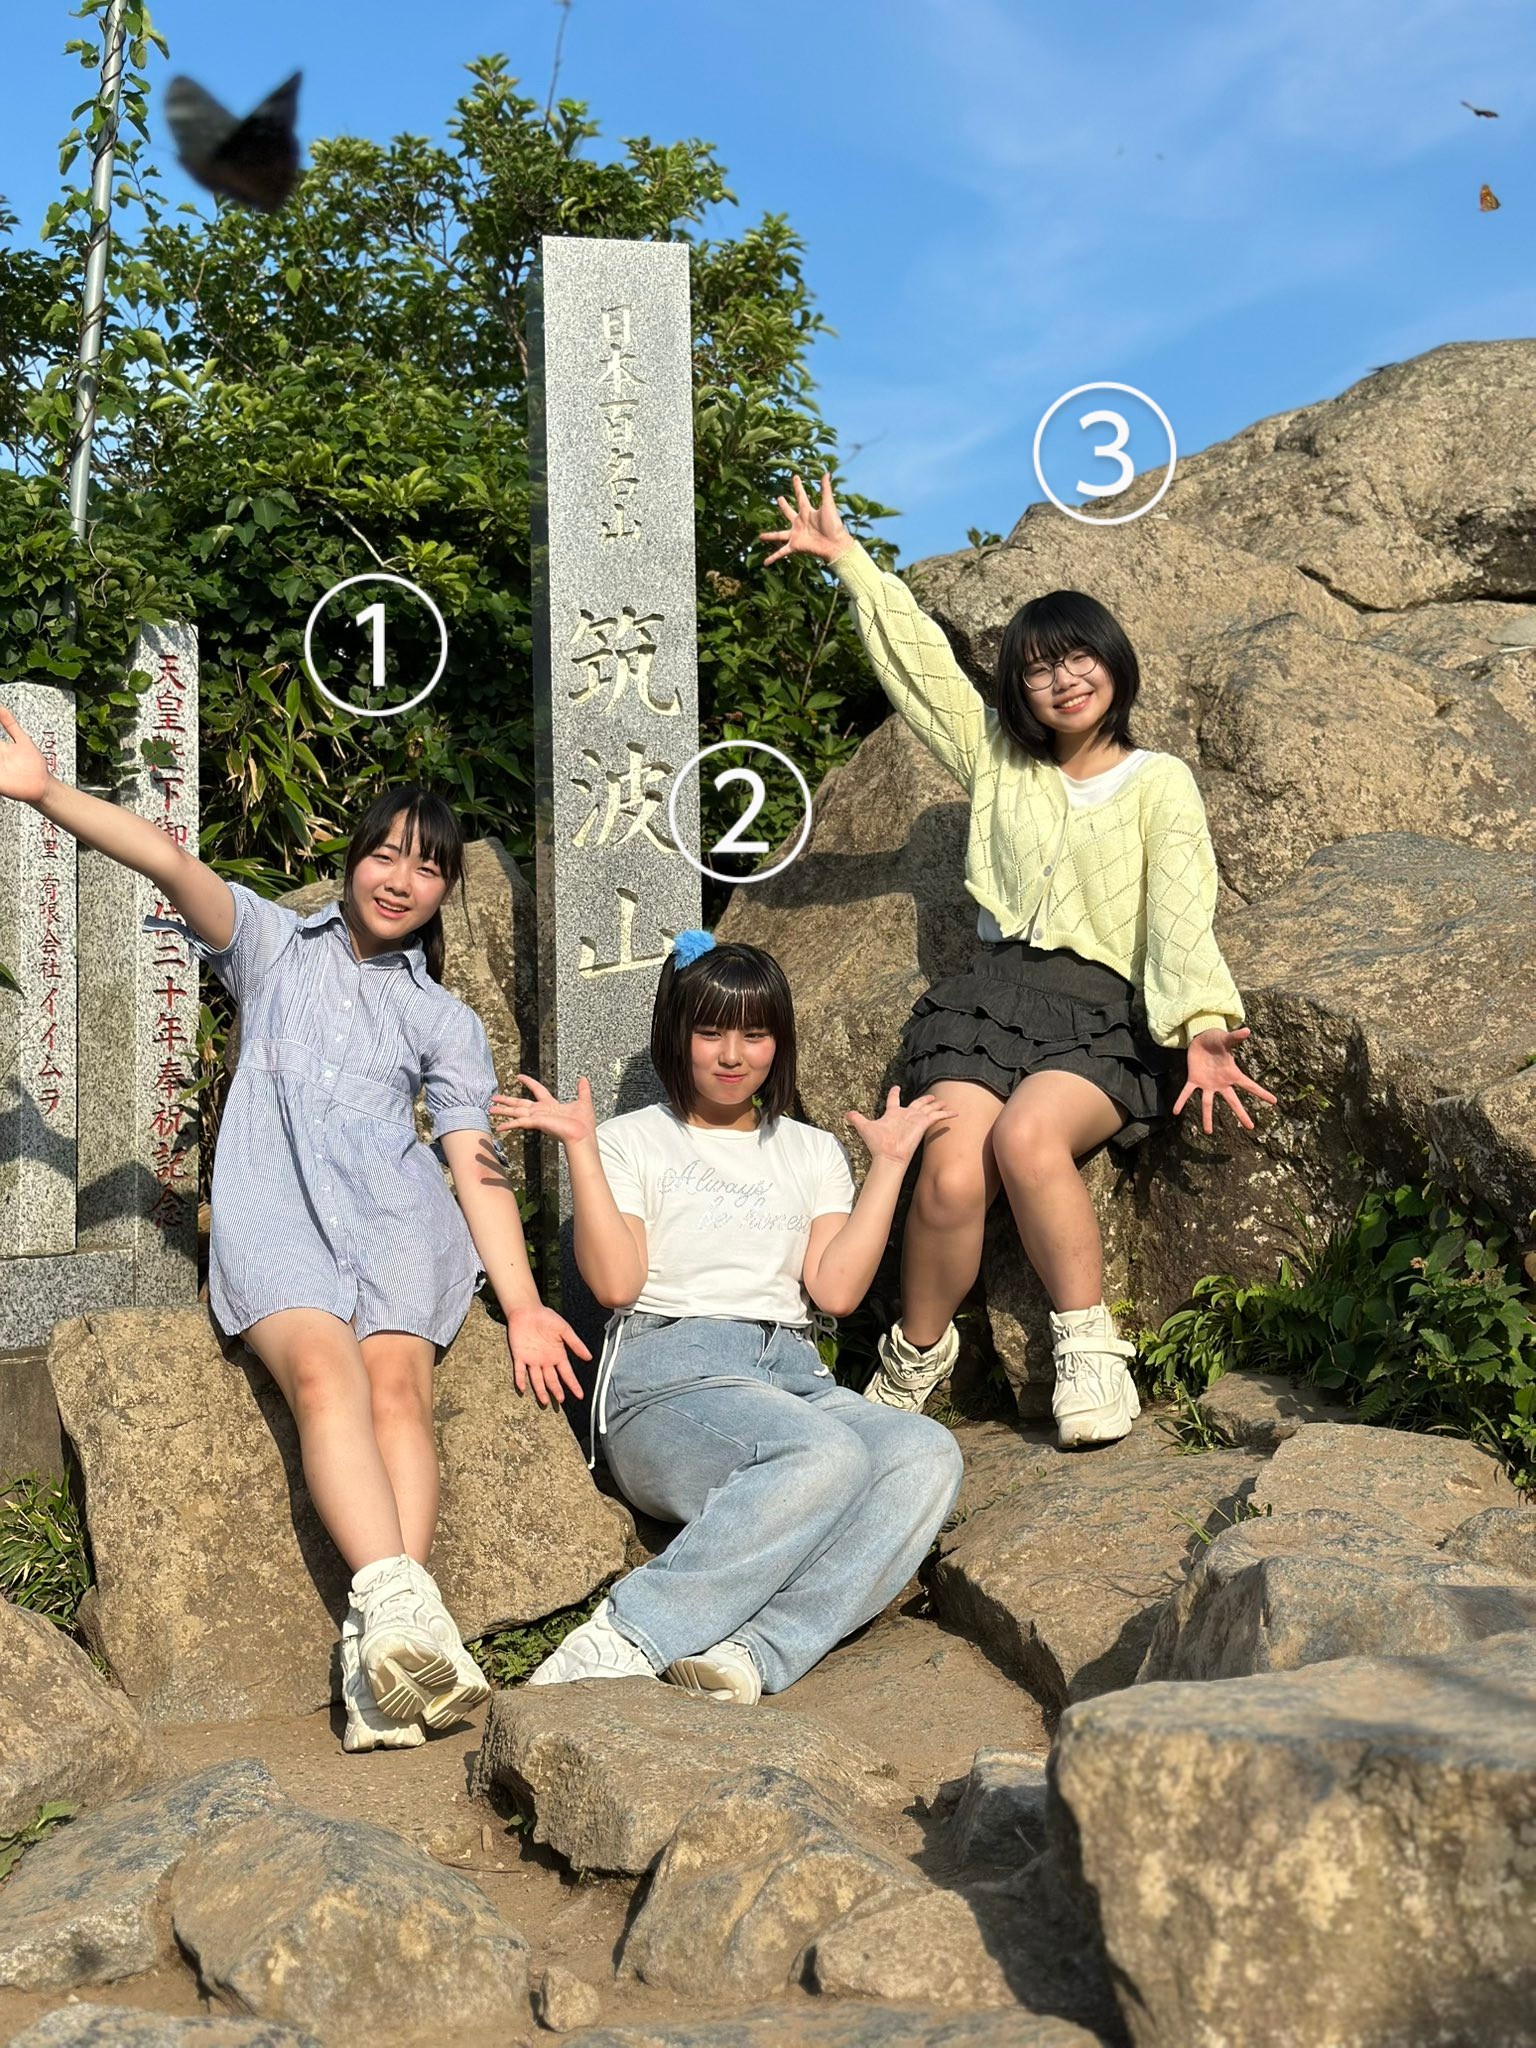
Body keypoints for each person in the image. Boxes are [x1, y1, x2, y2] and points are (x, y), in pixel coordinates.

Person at [0, 705, 588, 1751]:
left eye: (429, 867)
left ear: (445, 891)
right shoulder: (272, 943)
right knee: (323, 1374)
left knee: (400, 1394)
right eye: (386, 854)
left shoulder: (444, 1019)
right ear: (353, 860)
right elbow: (166, 861)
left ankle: (383, 1659)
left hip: (399, 1222)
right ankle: (404, 1625)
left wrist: (528, 1305)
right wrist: (46, 792)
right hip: (277, 1214)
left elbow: (473, 1161)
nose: (401, 879)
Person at [758, 473, 1277, 1447]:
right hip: (991, 1000)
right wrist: (852, 564)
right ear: (1020, 690)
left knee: (1029, 1140)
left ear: (1112, 663)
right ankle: (914, 1359)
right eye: (1038, 669)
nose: (1063, 679)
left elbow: (1180, 911)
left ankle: (1089, 1349)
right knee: (952, 1173)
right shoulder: (999, 758)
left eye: (1078, 656)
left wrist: (1203, 1025)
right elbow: (924, 673)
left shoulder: (1158, 782)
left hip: (1100, 1008)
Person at [490, 931, 965, 1704]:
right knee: (821, 1454)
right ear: (677, 1034)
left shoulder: (811, 1151)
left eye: (755, 1033)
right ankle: (626, 1633)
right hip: (666, 1378)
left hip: (791, 1376)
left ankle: (750, 1652)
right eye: (711, 1031)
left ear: (780, 1041)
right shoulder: (629, 1139)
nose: (733, 1054)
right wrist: (579, 1148)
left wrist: (888, 1166)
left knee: (925, 1452)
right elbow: (615, 1283)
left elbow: (836, 1292)